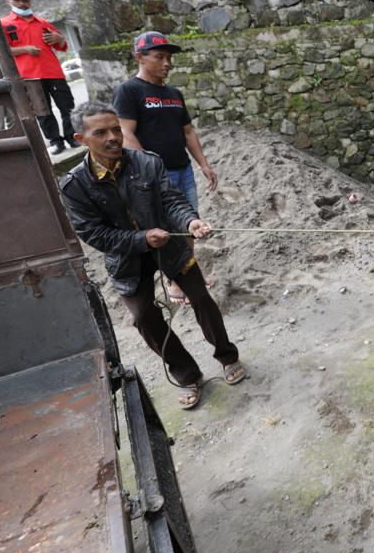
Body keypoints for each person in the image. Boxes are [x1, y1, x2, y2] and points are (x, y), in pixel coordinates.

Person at [59, 101, 246, 410]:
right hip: (126, 258)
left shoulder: (147, 162)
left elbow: (171, 200)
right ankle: (187, 374)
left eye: (116, 129)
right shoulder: (75, 185)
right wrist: (141, 238)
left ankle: (227, 356)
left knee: (201, 298)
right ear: (81, 139)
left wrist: (190, 221)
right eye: (101, 132)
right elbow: (93, 234)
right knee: (144, 318)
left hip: (170, 246)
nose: (113, 138)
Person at [113, 31, 219, 304]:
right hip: (156, 176)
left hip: (183, 170)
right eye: (159, 57)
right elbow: (126, 133)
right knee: (165, 228)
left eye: (169, 57)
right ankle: (174, 283)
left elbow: (188, 132)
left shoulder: (174, 93)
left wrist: (204, 165)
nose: (167, 63)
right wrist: (148, 170)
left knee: (189, 222)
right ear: (140, 57)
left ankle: (189, 274)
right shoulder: (129, 91)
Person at [0, 0, 76, 156]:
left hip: (53, 72)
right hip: (28, 75)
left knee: (67, 107)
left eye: (25, 0)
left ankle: (73, 137)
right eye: (17, 0)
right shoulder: (4, 24)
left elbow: (62, 46)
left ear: (29, 2)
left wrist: (60, 38)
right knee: (42, 111)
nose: (22, 3)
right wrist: (25, 49)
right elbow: (0, 50)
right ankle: (56, 142)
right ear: (8, 1)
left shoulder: (42, 23)